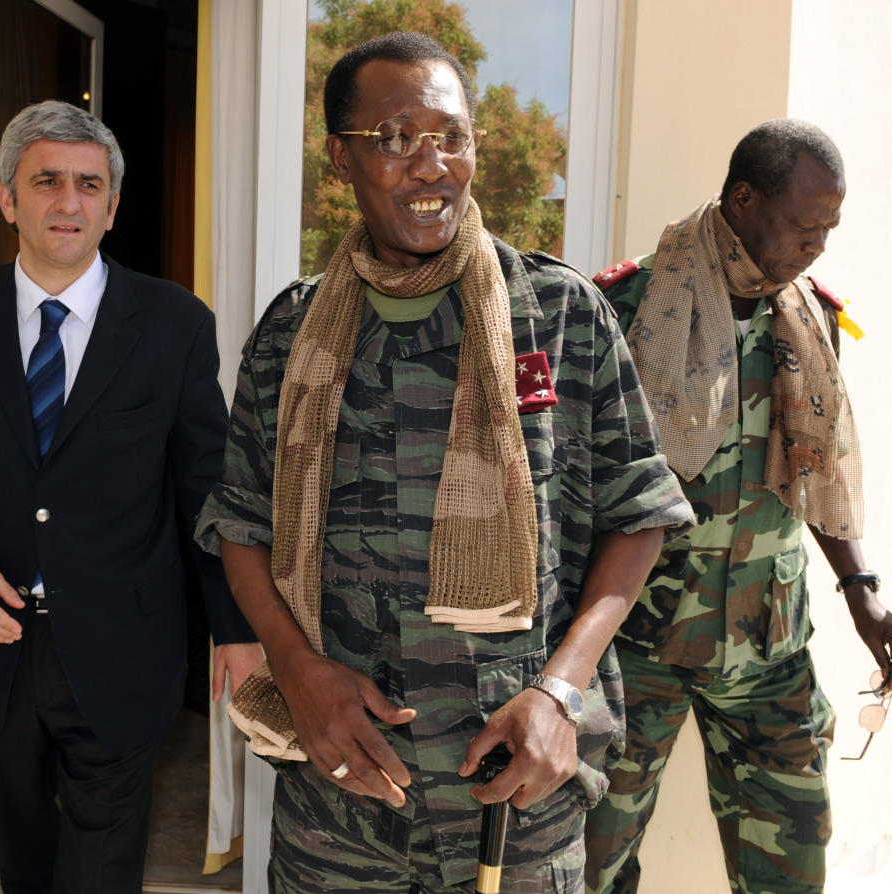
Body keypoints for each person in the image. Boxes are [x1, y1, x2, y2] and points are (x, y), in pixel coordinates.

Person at [195, 32, 693, 893]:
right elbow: (240, 530)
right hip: (341, 794)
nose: (431, 166)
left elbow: (637, 514)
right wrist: (298, 670)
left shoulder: (560, 315)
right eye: (394, 138)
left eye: (451, 136)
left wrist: (560, 694)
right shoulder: (289, 335)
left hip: (512, 786)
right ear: (340, 160)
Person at [0, 100, 260, 894]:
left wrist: (235, 628)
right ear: (6, 199)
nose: (69, 201)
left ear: (113, 206)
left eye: (89, 184)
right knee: (26, 864)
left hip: (125, 650)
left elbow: (206, 488)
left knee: (100, 870)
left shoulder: (172, 323)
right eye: (45, 180)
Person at [583, 119, 892, 894]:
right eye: (803, 225)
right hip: (638, 649)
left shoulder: (810, 317)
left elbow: (819, 469)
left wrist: (861, 593)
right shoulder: (625, 308)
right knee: (591, 866)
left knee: (794, 866)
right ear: (742, 199)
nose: (817, 246)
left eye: (829, 229)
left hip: (769, 648)